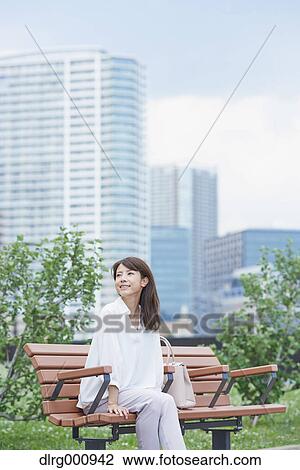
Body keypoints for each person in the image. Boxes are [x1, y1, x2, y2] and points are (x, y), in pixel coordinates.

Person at [77, 256, 186, 450]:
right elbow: (111, 360)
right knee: (164, 401)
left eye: (129, 274)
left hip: (135, 394)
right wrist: (112, 401)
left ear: (144, 281)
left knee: (156, 403)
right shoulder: (111, 313)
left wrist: (152, 391)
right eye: (119, 275)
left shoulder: (148, 317)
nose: (122, 279)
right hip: (101, 397)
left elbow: (153, 362)